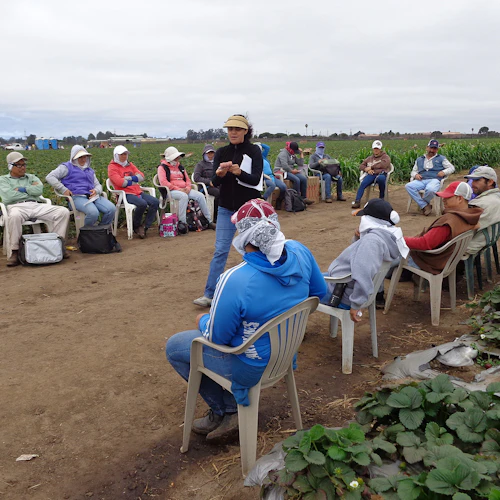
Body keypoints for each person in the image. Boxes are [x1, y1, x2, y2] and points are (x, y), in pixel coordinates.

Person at [167, 199, 327, 440]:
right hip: (285, 354)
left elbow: (217, 336)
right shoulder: (299, 250)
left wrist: (202, 319)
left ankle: (227, 409)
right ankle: (228, 410)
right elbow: (319, 293)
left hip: (251, 365)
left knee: (175, 346)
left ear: (243, 236)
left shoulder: (234, 279)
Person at [193, 114, 264, 308]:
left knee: (253, 250)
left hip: (248, 208)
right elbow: (215, 183)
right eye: (230, 129)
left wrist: (239, 172)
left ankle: (256, 291)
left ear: (245, 131)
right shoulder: (222, 152)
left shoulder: (254, 151)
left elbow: (256, 179)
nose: (232, 132)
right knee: (220, 250)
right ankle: (210, 293)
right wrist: (219, 175)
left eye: (237, 129)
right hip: (225, 208)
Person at [324, 198, 409, 318]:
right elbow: (360, 255)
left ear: (370, 220)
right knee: (311, 277)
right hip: (345, 285)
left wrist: (356, 304)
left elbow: (363, 272)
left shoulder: (371, 242)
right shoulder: (385, 236)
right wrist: (358, 237)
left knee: (299, 285)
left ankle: (294, 332)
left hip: (342, 292)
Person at [0, 152, 70, 267]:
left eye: (24, 165)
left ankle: (57, 245)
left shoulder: (32, 177)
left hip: (35, 204)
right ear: (10, 166)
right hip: (16, 206)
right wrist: (29, 191)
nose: (23, 167)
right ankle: (15, 251)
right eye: (19, 165)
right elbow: (9, 197)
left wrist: (22, 189)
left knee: (62, 212)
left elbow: (39, 190)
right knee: (14, 216)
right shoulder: (3, 180)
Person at [404, 181, 482, 274]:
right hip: (447, 261)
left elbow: (425, 243)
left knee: (386, 253)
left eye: (448, 197)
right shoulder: (470, 216)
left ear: (460, 198)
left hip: (429, 261)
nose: (443, 199)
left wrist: (400, 240)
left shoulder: (450, 220)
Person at [46, 145, 116, 227]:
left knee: (111, 209)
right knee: (93, 213)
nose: (83, 159)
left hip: (92, 197)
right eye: (80, 157)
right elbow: (50, 177)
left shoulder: (89, 170)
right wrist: (63, 189)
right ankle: (86, 233)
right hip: (77, 197)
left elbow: (97, 184)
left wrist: (96, 191)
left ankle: (100, 231)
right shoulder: (66, 167)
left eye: (85, 157)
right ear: (74, 157)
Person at [158, 146, 215, 232]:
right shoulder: (162, 168)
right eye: (175, 157)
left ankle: (209, 221)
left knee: (200, 196)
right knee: (183, 196)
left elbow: (187, 180)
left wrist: (188, 188)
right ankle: (183, 223)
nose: (177, 159)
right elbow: (163, 182)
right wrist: (178, 189)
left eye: (177, 157)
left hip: (184, 189)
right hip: (171, 191)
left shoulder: (180, 167)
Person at [107, 145, 159, 238]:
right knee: (142, 204)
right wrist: (135, 179)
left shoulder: (130, 165)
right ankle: (136, 226)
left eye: (126, 154)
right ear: (116, 155)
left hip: (137, 192)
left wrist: (128, 178)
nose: (124, 156)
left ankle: (145, 226)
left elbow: (142, 176)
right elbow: (121, 183)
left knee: (155, 202)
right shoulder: (112, 167)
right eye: (122, 154)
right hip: (124, 194)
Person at [405, 139, 455, 216]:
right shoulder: (419, 159)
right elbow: (413, 171)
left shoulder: (441, 158)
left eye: (434, 148)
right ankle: (425, 206)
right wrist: (415, 175)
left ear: (437, 149)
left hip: (434, 180)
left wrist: (444, 172)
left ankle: (423, 204)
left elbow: (452, 168)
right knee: (408, 186)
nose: (432, 150)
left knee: (430, 189)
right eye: (431, 148)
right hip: (421, 180)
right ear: (427, 148)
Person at [463, 166, 500, 256]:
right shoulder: (497, 196)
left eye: (477, 180)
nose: (472, 184)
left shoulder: (480, 204)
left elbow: (463, 228)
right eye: (472, 180)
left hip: (471, 246)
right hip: (488, 239)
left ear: (490, 182)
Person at [351, 140, 391, 209]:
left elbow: (384, 164)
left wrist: (372, 167)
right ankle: (357, 201)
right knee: (363, 183)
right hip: (371, 175)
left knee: (381, 179)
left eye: (377, 149)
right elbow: (361, 166)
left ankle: (381, 199)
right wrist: (366, 169)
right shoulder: (369, 158)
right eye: (375, 148)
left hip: (381, 174)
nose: (376, 150)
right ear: (373, 149)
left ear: (380, 149)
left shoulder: (385, 157)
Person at [193, 144, 220, 222]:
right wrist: (209, 182)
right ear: (204, 154)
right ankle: (215, 216)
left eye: (212, 153)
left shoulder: (216, 163)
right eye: (208, 153)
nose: (210, 155)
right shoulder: (200, 165)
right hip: (206, 187)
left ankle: (226, 214)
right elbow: (196, 178)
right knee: (218, 193)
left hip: (216, 184)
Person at [256, 143, 287, 208]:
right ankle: (263, 199)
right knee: (272, 185)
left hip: (272, 176)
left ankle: (279, 200)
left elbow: (267, 148)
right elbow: (256, 171)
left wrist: (260, 143)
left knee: (283, 186)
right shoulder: (254, 159)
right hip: (264, 178)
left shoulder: (263, 156)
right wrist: (265, 176)